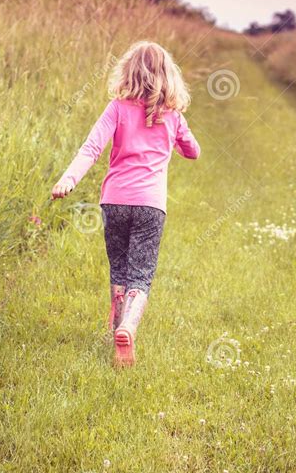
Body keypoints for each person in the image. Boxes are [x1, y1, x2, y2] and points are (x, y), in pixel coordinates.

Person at [51, 41, 200, 366]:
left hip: (114, 201)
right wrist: (176, 133)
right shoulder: (172, 116)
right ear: (167, 76)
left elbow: (91, 148)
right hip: (150, 206)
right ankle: (128, 327)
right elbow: (194, 152)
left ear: (128, 72)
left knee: (118, 267)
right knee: (140, 274)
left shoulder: (116, 108)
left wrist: (69, 179)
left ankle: (117, 328)